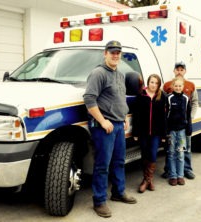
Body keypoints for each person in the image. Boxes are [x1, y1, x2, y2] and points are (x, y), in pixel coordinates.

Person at [83, 40, 137, 218]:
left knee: (119, 161)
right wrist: (103, 121)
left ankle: (118, 192)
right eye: (112, 52)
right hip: (103, 127)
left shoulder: (120, 75)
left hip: (119, 125)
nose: (115, 55)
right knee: (102, 165)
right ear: (105, 53)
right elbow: (90, 100)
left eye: (118, 52)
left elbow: (120, 98)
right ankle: (99, 201)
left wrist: (124, 118)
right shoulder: (98, 73)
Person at [162, 61, 198, 180]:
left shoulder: (191, 85)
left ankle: (186, 169)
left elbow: (194, 102)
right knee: (170, 149)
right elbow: (164, 104)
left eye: (181, 69)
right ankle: (169, 170)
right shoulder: (167, 85)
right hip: (172, 125)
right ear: (174, 71)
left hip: (184, 123)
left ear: (185, 71)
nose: (179, 71)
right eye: (177, 69)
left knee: (185, 148)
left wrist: (190, 118)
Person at [132, 74, 167, 193]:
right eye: (152, 82)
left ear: (159, 85)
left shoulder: (162, 97)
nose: (153, 85)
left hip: (156, 133)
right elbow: (136, 115)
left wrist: (163, 134)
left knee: (152, 154)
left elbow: (163, 117)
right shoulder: (141, 95)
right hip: (143, 132)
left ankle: (147, 180)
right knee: (144, 155)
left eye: (156, 83)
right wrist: (135, 132)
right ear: (148, 83)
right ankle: (147, 180)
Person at [166, 77, 192, 186]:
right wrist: (166, 130)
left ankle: (180, 176)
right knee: (171, 153)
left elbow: (188, 114)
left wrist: (189, 127)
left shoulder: (186, 98)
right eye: (175, 86)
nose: (177, 87)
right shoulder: (169, 98)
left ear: (183, 87)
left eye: (180, 86)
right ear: (172, 86)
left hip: (182, 132)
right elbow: (165, 115)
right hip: (171, 131)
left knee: (181, 153)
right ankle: (173, 176)